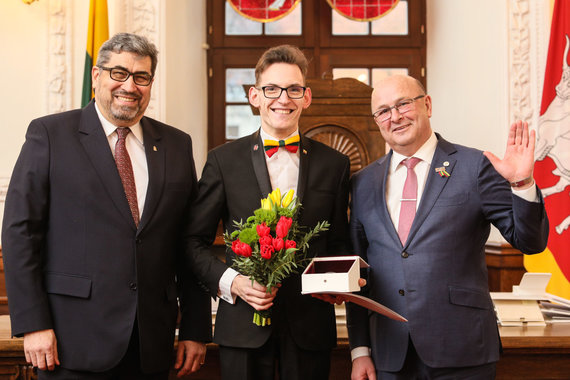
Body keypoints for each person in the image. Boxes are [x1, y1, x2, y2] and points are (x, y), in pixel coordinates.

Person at [1, 33, 212, 379]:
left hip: (152, 344)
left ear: (150, 84)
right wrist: (32, 323)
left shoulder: (176, 144)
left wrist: (194, 328)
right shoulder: (50, 135)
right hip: (70, 341)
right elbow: (19, 233)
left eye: (141, 77)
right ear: (96, 76)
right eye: (119, 73)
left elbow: (189, 243)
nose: (130, 86)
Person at [346, 75, 549, 379]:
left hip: (462, 349)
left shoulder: (476, 167)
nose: (395, 117)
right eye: (383, 111)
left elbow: (530, 242)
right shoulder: (363, 183)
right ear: (376, 120)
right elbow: (356, 271)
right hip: (389, 355)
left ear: (427, 104)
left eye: (403, 104)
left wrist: (521, 183)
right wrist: (360, 350)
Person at [185, 45, 350, 380]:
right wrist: (234, 282)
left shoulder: (335, 164)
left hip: (310, 327)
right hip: (242, 325)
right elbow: (192, 242)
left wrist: (341, 281)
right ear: (254, 96)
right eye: (272, 89)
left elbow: (338, 243)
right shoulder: (223, 161)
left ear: (306, 97)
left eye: (293, 89)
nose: (283, 99)